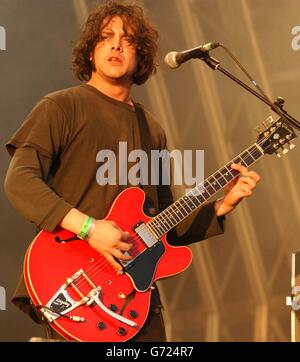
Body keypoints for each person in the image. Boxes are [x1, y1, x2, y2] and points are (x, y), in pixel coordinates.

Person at [4, 0, 260, 342]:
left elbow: (162, 224)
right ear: (90, 49)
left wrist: (221, 207)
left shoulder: (151, 128)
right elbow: (20, 181)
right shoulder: (60, 107)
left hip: (133, 303)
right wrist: (90, 228)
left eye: (128, 39)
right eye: (106, 36)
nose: (116, 44)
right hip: (75, 284)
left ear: (141, 55)